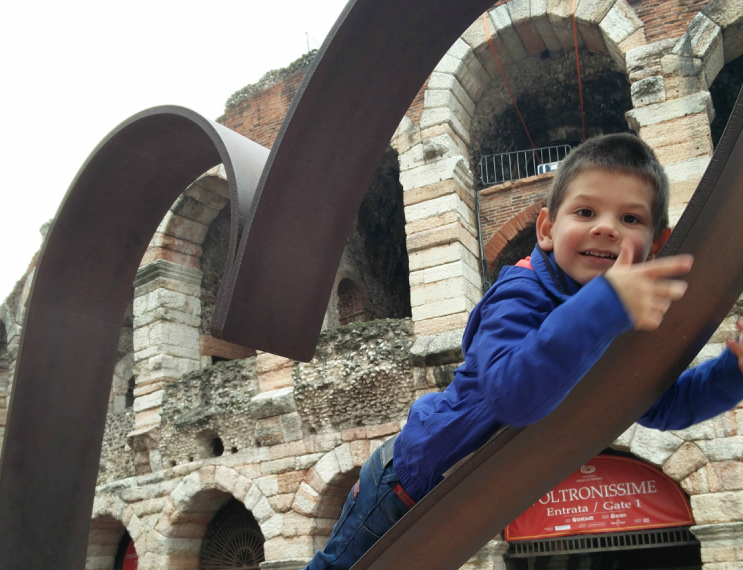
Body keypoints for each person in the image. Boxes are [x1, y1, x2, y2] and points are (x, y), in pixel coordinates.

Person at [302, 133, 743, 570]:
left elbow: (660, 404)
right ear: (548, 229)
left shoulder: (612, 318)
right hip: (405, 482)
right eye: (586, 211)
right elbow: (512, 396)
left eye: (630, 219)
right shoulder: (521, 291)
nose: (606, 227)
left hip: (465, 500)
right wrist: (605, 305)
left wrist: (733, 373)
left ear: (657, 243)